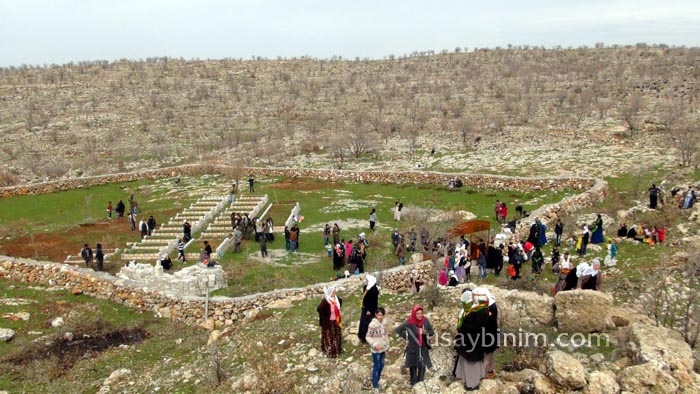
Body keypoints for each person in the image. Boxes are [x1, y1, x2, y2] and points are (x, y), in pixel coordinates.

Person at [453, 289, 489, 391]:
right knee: (471, 362)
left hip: (471, 342)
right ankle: (471, 380)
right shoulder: (479, 309)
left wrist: (462, 328)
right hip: (473, 341)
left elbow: (472, 327)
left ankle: (472, 384)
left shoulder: (477, 312)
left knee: (471, 364)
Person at [395, 305, 435, 387]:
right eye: (418, 314)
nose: (420, 315)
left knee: (423, 364)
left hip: (423, 346)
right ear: (414, 314)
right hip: (412, 347)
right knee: (413, 365)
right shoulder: (409, 322)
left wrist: (424, 331)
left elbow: (431, 332)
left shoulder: (425, 321)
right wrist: (406, 338)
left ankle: (420, 382)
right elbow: (398, 330)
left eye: (421, 313)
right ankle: (413, 382)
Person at [367, 307, 389, 392]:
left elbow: (386, 335)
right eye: (379, 315)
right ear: (376, 314)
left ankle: (377, 380)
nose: (380, 317)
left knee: (382, 364)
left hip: (383, 348)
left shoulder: (384, 323)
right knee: (377, 365)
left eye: (382, 315)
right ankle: (375, 385)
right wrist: (374, 344)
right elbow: (368, 336)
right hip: (376, 350)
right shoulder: (372, 324)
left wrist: (387, 346)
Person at [317, 286, 342, 358]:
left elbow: (340, 304)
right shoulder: (326, 301)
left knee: (336, 335)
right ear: (330, 292)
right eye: (334, 292)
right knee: (328, 336)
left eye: (335, 291)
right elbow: (319, 309)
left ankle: (337, 350)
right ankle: (329, 351)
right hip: (328, 322)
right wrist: (325, 315)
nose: (335, 293)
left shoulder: (337, 299)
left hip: (336, 320)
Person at [359, 274, 380, 343]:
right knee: (362, 322)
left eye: (367, 280)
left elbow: (373, 302)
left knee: (367, 323)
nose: (366, 281)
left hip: (370, 310)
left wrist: (370, 310)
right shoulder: (366, 287)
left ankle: (367, 337)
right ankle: (362, 336)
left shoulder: (374, 290)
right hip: (365, 308)